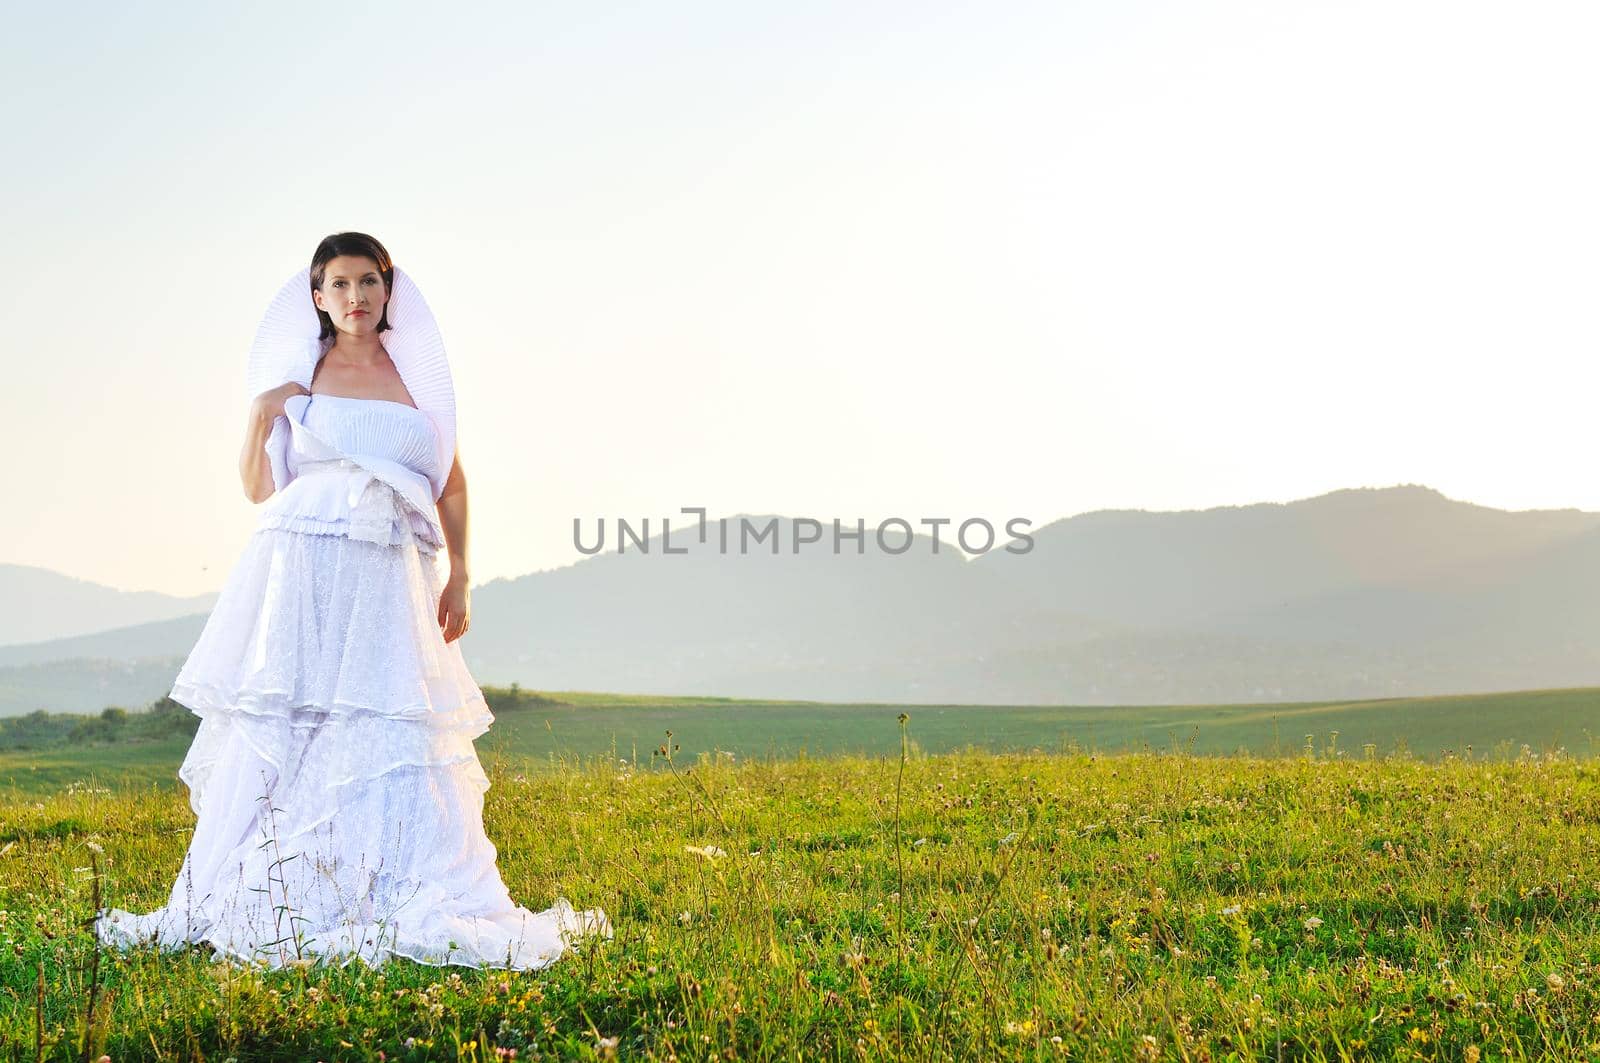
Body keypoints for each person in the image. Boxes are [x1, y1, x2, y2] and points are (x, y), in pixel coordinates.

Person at [94, 232, 611, 970]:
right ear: (318, 297)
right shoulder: (300, 373)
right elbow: (258, 488)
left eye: (368, 281)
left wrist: (460, 572)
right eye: (339, 284)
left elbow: (451, 480)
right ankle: (274, 874)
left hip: (388, 578)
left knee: (388, 714)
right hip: (309, 571)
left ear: (387, 290)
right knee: (301, 715)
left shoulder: (415, 379)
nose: (356, 297)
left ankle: (388, 873)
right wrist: (259, 415)